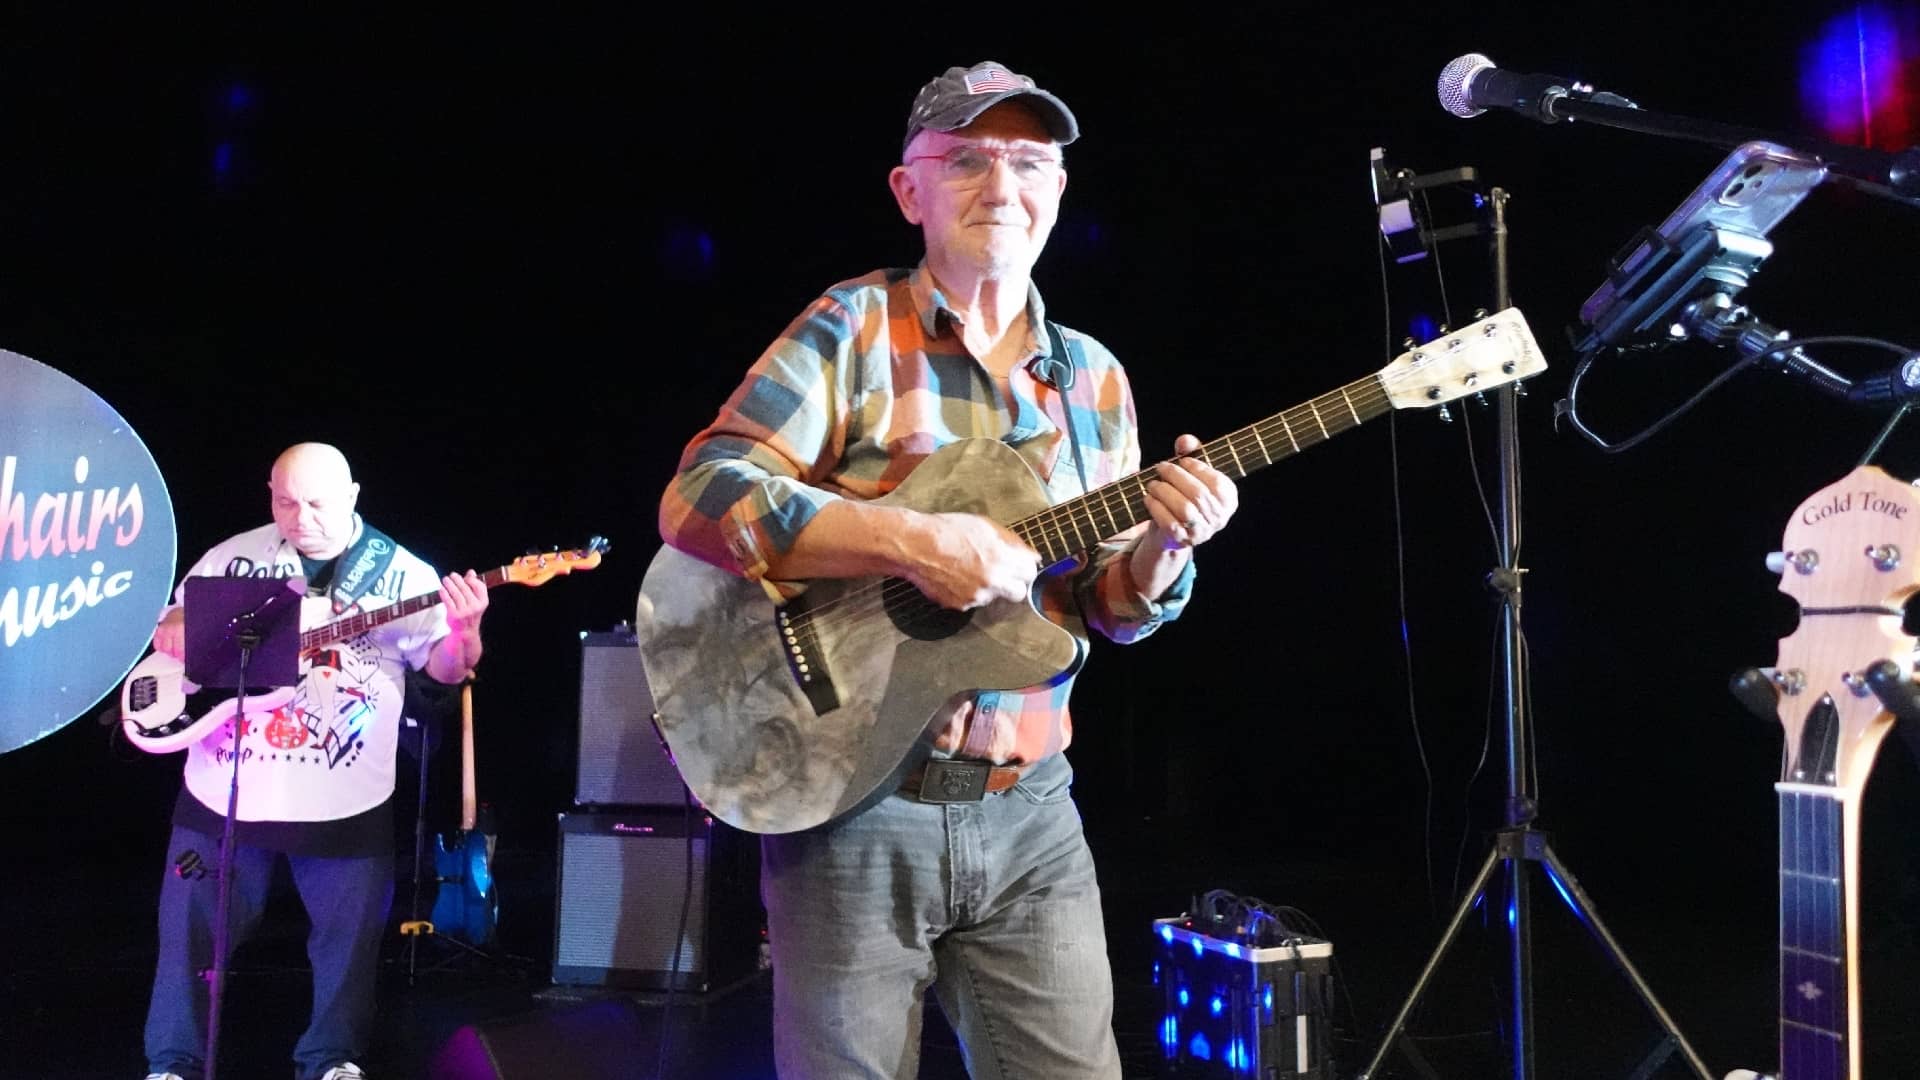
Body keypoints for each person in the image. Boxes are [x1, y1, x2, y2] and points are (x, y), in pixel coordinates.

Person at [655, 60, 1239, 1078]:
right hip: (853, 810)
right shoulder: (851, 329)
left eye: (1028, 162)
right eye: (966, 159)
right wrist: (908, 541)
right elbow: (700, 498)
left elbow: (1097, 609)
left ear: (1059, 189)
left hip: (1032, 811)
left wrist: (1162, 549)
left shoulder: (1093, 377)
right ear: (907, 189)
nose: (1000, 187)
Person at [140, 442, 488, 1080]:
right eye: (285, 501)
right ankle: (173, 1061)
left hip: (343, 793)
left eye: (317, 503)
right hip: (227, 785)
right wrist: (175, 627)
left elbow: (443, 666)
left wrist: (465, 635)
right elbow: (174, 626)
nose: (299, 517)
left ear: (354, 494)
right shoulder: (231, 556)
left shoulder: (404, 573)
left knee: (347, 945)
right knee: (188, 934)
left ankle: (331, 1059)